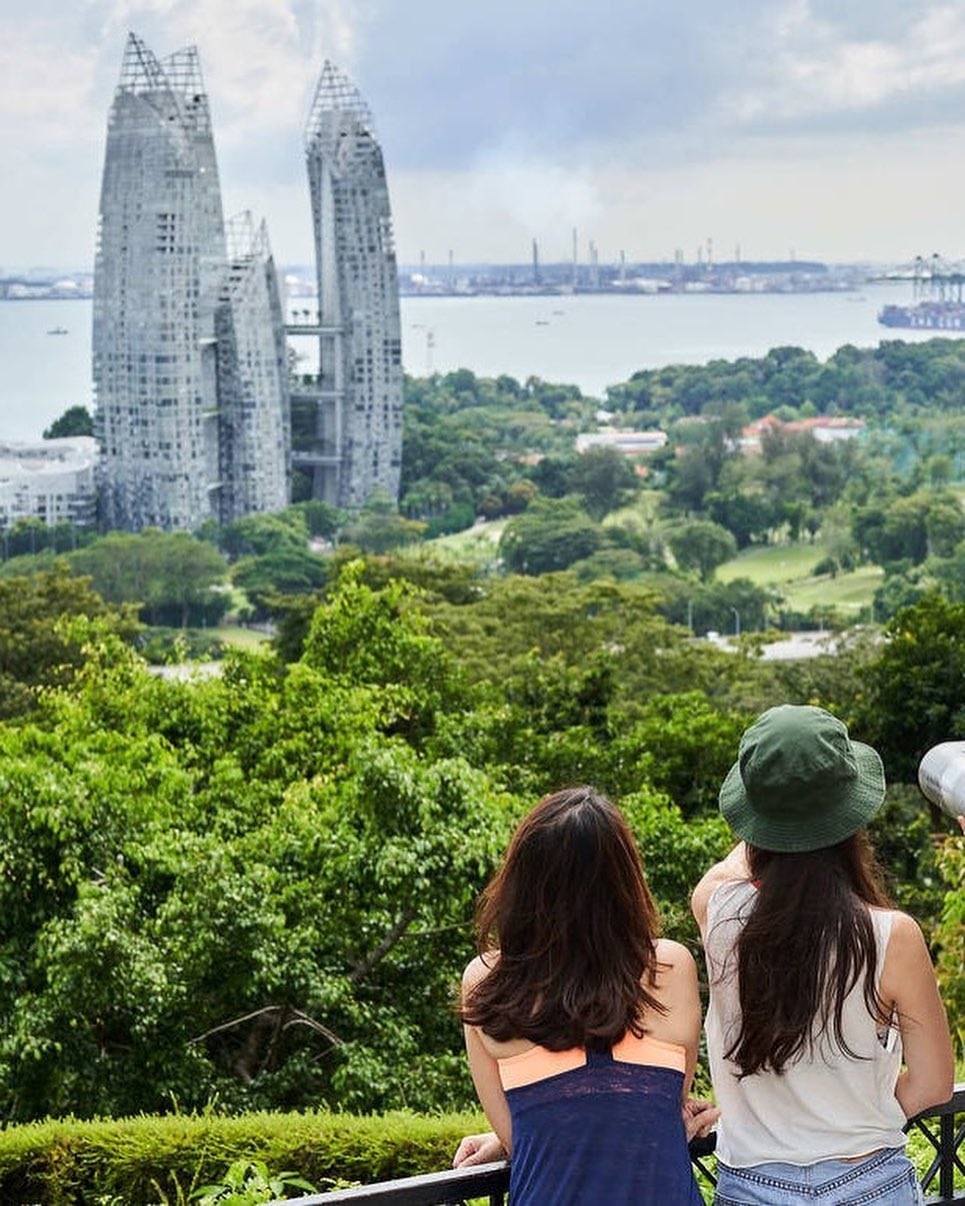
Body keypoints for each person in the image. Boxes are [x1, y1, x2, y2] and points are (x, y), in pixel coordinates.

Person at [692, 704, 954, 1206]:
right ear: (850, 817)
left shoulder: (719, 915)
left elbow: (725, 872)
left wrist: (776, 818)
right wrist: (865, 1116)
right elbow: (935, 1084)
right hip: (872, 1182)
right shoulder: (892, 936)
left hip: (752, 1187)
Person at [455, 786, 715, 1204]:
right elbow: (667, 1103)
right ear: (624, 881)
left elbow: (516, 1137)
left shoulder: (486, 984)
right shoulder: (669, 968)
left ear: (521, 884)